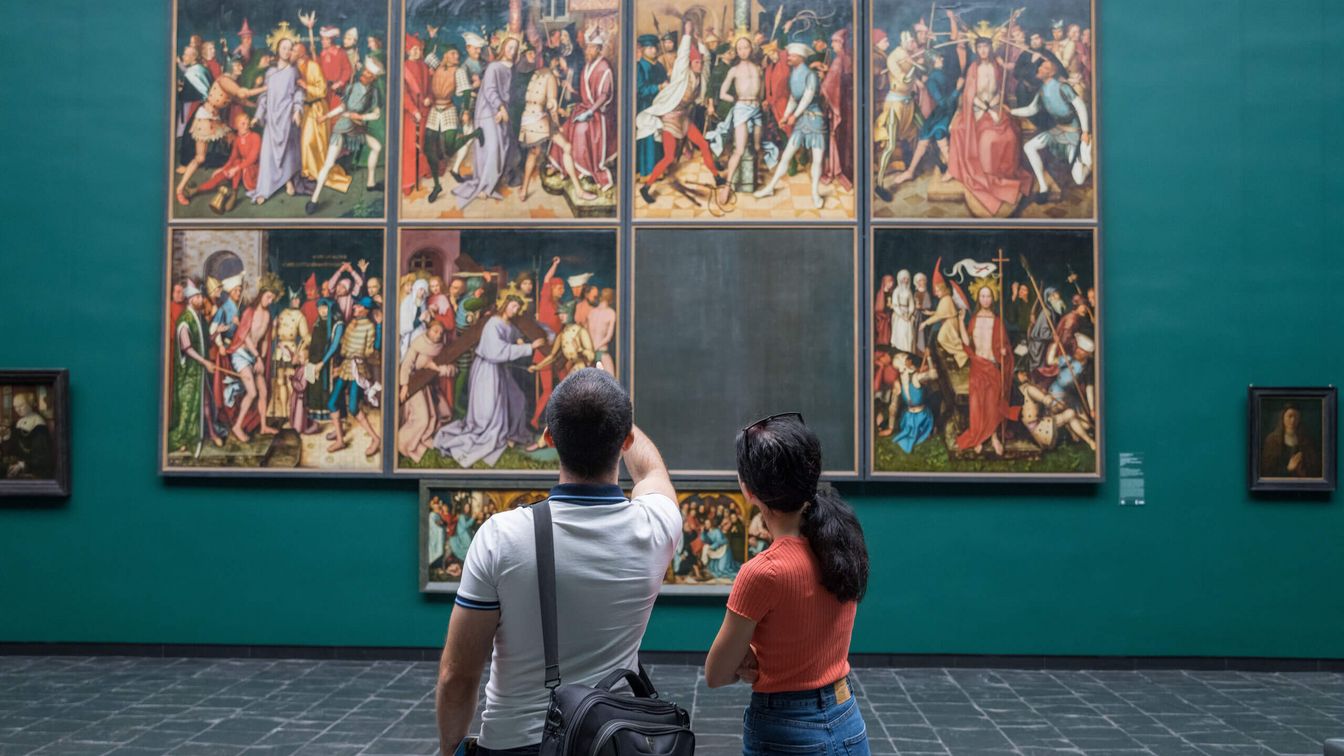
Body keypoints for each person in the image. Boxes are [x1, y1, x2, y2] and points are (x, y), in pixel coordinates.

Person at [434, 368, 681, 756]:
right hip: (609, 741)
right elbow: (651, 471)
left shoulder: (502, 536)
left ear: (548, 438)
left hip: (515, 743)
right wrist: (615, 411)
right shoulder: (656, 527)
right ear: (626, 440)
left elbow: (458, 675)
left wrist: (450, 748)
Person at [704, 414, 870, 756]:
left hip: (786, 732)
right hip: (848, 719)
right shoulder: (845, 538)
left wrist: (745, 655)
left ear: (748, 491)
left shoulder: (763, 572)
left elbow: (716, 673)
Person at [433, 293, 546, 467]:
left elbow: (513, 336)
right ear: (505, 304)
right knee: (490, 408)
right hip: (487, 370)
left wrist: (521, 340)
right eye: (513, 306)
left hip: (500, 370)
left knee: (518, 399)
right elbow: (497, 351)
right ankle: (496, 434)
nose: (516, 310)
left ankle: (511, 433)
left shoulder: (508, 324)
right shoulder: (493, 323)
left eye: (518, 307)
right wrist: (529, 347)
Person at [637, 21, 726, 205]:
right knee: (669, 157)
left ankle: (716, 177)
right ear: (689, 63)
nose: (699, 65)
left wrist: (699, 42)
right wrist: (687, 34)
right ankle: (646, 187)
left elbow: (707, 59)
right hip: (670, 119)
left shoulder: (700, 76)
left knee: (703, 144)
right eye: (696, 62)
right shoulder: (681, 75)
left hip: (683, 118)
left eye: (700, 62)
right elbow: (683, 55)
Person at [945, 33, 1032, 215]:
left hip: (993, 107)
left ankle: (1003, 174)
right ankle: (981, 174)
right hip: (976, 111)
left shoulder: (996, 67)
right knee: (978, 137)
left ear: (990, 48)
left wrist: (993, 110)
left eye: (986, 47)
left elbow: (999, 92)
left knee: (1009, 135)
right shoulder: (973, 68)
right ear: (976, 49)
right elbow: (969, 95)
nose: (983, 50)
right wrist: (984, 109)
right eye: (980, 47)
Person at [754, 43, 828, 209]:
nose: (788, 58)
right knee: (787, 154)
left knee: (817, 160)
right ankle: (771, 187)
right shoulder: (794, 73)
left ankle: (815, 193)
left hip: (815, 120)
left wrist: (794, 115)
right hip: (801, 121)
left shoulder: (810, 75)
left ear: (800, 58)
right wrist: (786, 116)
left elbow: (807, 97)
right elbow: (794, 98)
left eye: (792, 56)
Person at [1009, 57, 1093, 203]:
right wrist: (1010, 112)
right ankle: (1043, 187)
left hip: (1073, 134)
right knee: (1029, 146)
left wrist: (1085, 132)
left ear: (1050, 73)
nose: (1039, 70)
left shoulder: (1063, 87)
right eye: (1040, 67)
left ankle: (1091, 166)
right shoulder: (1042, 91)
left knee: (1079, 179)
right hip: (1057, 131)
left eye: (1043, 68)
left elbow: (1080, 107)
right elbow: (1032, 109)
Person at [309, 58, 384, 214]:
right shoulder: (352, 87)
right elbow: (342, 107)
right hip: (344, 126)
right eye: (364, 71)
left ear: (373, 78)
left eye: (369, 73)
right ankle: (314, 199)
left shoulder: (374, 92)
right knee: (329, 163)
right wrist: (326, 117)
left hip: (357, 127)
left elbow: (376, 114)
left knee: (377, 146)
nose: (364, 74)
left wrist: (361, 117)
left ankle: (370, 184)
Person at [455, 35, 522, 208]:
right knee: (491, 147)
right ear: (503, 47)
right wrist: (499, 108)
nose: (511, 50)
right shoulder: (494, 66)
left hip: (502, 110)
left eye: (515, 48)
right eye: (509, 46)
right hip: (487, 110)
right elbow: (491, 90)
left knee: (503, 146)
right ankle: (485, 186)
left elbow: (510, 93)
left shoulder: (512, 68)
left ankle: (493, 179)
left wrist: (503, 110)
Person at [956, 281, 1018, 455]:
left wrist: (1004, 351)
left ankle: (993, 437)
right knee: (977, 404)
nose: (985, 299)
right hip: (977, 366)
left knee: (992, 403)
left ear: (993, 298)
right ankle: (978, 437)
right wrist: (961, 322)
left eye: (988, 296)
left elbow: (1003, 345)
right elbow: (967, 343)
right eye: (982, 296)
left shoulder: (997, 321)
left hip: (991, 366)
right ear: (978, 298)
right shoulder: (974, 320)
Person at [551, 28, 616, 196]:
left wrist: (590, 112)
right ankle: (567, 167)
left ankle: (587, 169)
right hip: (585, 108)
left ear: (599, 49)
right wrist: (572, 89)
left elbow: (604, 95)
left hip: (599, 114)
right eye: (587, 47)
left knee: (581, 130)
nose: (588, 51)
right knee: (565, 128)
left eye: (592, 48)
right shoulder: (587, 65)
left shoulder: (604, 67)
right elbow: (583, 93)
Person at [168, 281, 224, 455]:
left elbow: (203, 341)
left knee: (206, 401)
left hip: (199, 371)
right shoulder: (185, 320)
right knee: (188, 407)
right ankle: (185, 438)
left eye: (201, 296)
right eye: (198, 297)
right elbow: (187, 348)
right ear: (191, 299)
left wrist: (216, 333)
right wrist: (205, 362)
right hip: (189, 373)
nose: (202, 299)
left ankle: (212, 433)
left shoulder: (199, 318)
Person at [249, 34, 305, 204]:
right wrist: (258, 115)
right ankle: (264, 190)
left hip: (287, 115)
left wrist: (297, 109)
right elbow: (265, 96)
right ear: (278, 50)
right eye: (283, 48)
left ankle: (288, 181)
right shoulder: (270, 72)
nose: (287, 51)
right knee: (268, 154)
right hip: (273, 117)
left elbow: (299, 91)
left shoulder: (294, 71)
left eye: (289, 49)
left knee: (288, 151)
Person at [328, 296, 382, 457]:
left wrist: (379, 326)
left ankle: (376, 438)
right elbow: (344, 347)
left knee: (352, 407)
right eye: (355, 306)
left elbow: (374, 349)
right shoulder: (351, 324)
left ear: (366, 310)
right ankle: (339, 439)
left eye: (358, 307)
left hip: (358, 369)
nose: (354, 309)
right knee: (332, 403)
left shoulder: (370, 327)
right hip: (346, 366)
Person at [819, 29, 853, 192]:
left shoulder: (838, 60)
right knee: (846, 136)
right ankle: (845, 169)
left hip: (839, 103)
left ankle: (836, 170)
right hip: (847, 103)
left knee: (836, 135)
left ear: (841, 43)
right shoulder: (848, 58)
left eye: (834, 42)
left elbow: (828, 86)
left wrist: (822, 78)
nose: (832, 45)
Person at [635, 35, 667, 178]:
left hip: (659, 106)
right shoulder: (640, 67)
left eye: (654, 47)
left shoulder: (659, 65)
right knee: (648, 137)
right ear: (642, 50)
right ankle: (647, 171)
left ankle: (658, 168)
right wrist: (659, 87)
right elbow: (640, 90)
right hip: (645, 107)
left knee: (658, 137)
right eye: (649, 48)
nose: (653, 50)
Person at [1261, 404, 1323, 478]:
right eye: (1290, 416)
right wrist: (1288, 468)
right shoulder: (1272, 440)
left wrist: (1303, 472)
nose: (1293, 420)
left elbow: (1316, 469)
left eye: (1296, 417)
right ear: (1283, 418)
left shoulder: (1307, 440)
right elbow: (1266, 471)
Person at [890, 269, 915, 353]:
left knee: (908, 334)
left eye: (907, 279)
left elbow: (911, 304)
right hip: (899, 316)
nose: (906, 280)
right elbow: (895, 305)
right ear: (900, 279)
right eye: (904, 279)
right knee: (901, 334)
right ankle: (900, 351)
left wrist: (909, 314)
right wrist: (902, 315)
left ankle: (907, 351)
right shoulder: (896, 291)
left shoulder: (909, 291)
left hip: (907, 315)